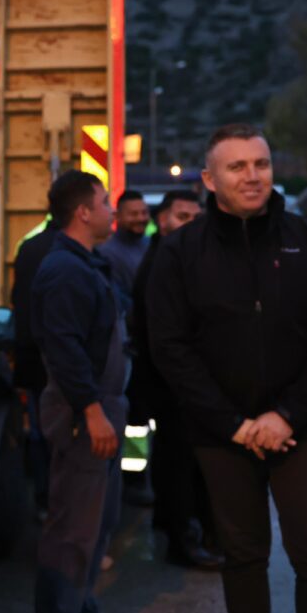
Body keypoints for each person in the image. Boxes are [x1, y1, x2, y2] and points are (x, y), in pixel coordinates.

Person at [148, 124, 307, 613]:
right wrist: (234, 425)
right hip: (223, 434)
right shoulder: (179, 252)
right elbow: (170, 347)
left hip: (301, 429)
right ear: (209, 178)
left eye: (261, 164)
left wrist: (287, 415)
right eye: (237, 166)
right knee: (242, 557)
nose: (252, 176)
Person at [31, 170, 126, 613]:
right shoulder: (65, 270)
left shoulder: (86, 262)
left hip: (101, 409)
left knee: (96, 525)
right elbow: (63, 349)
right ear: (84, 212)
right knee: (73, 530)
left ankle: (79, 603)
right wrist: (91, 411)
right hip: (81, 418)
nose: (112, 210)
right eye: (105, 202)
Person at [125, 190, 222, 569]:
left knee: (181, 462)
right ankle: (182, 541)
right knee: (178, 464)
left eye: (196, 217)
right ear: (161, 220)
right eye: (182, 216)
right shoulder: (162, 263)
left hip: (181, 383)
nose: (191, 224)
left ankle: (178, 527)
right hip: (171, 385)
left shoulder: (182, 257)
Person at [11, 216, 61, 516]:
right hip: (58, 365)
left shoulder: (29, 247)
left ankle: (44, 501)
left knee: (41, 434)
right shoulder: (75, 253)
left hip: (32, 359)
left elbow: (19, 300)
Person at [96, 189, 150, 302]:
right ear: (117, 216)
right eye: (133, 214)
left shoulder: (150, 244)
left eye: (144, 213)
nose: (140, 218)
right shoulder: (106, 252)